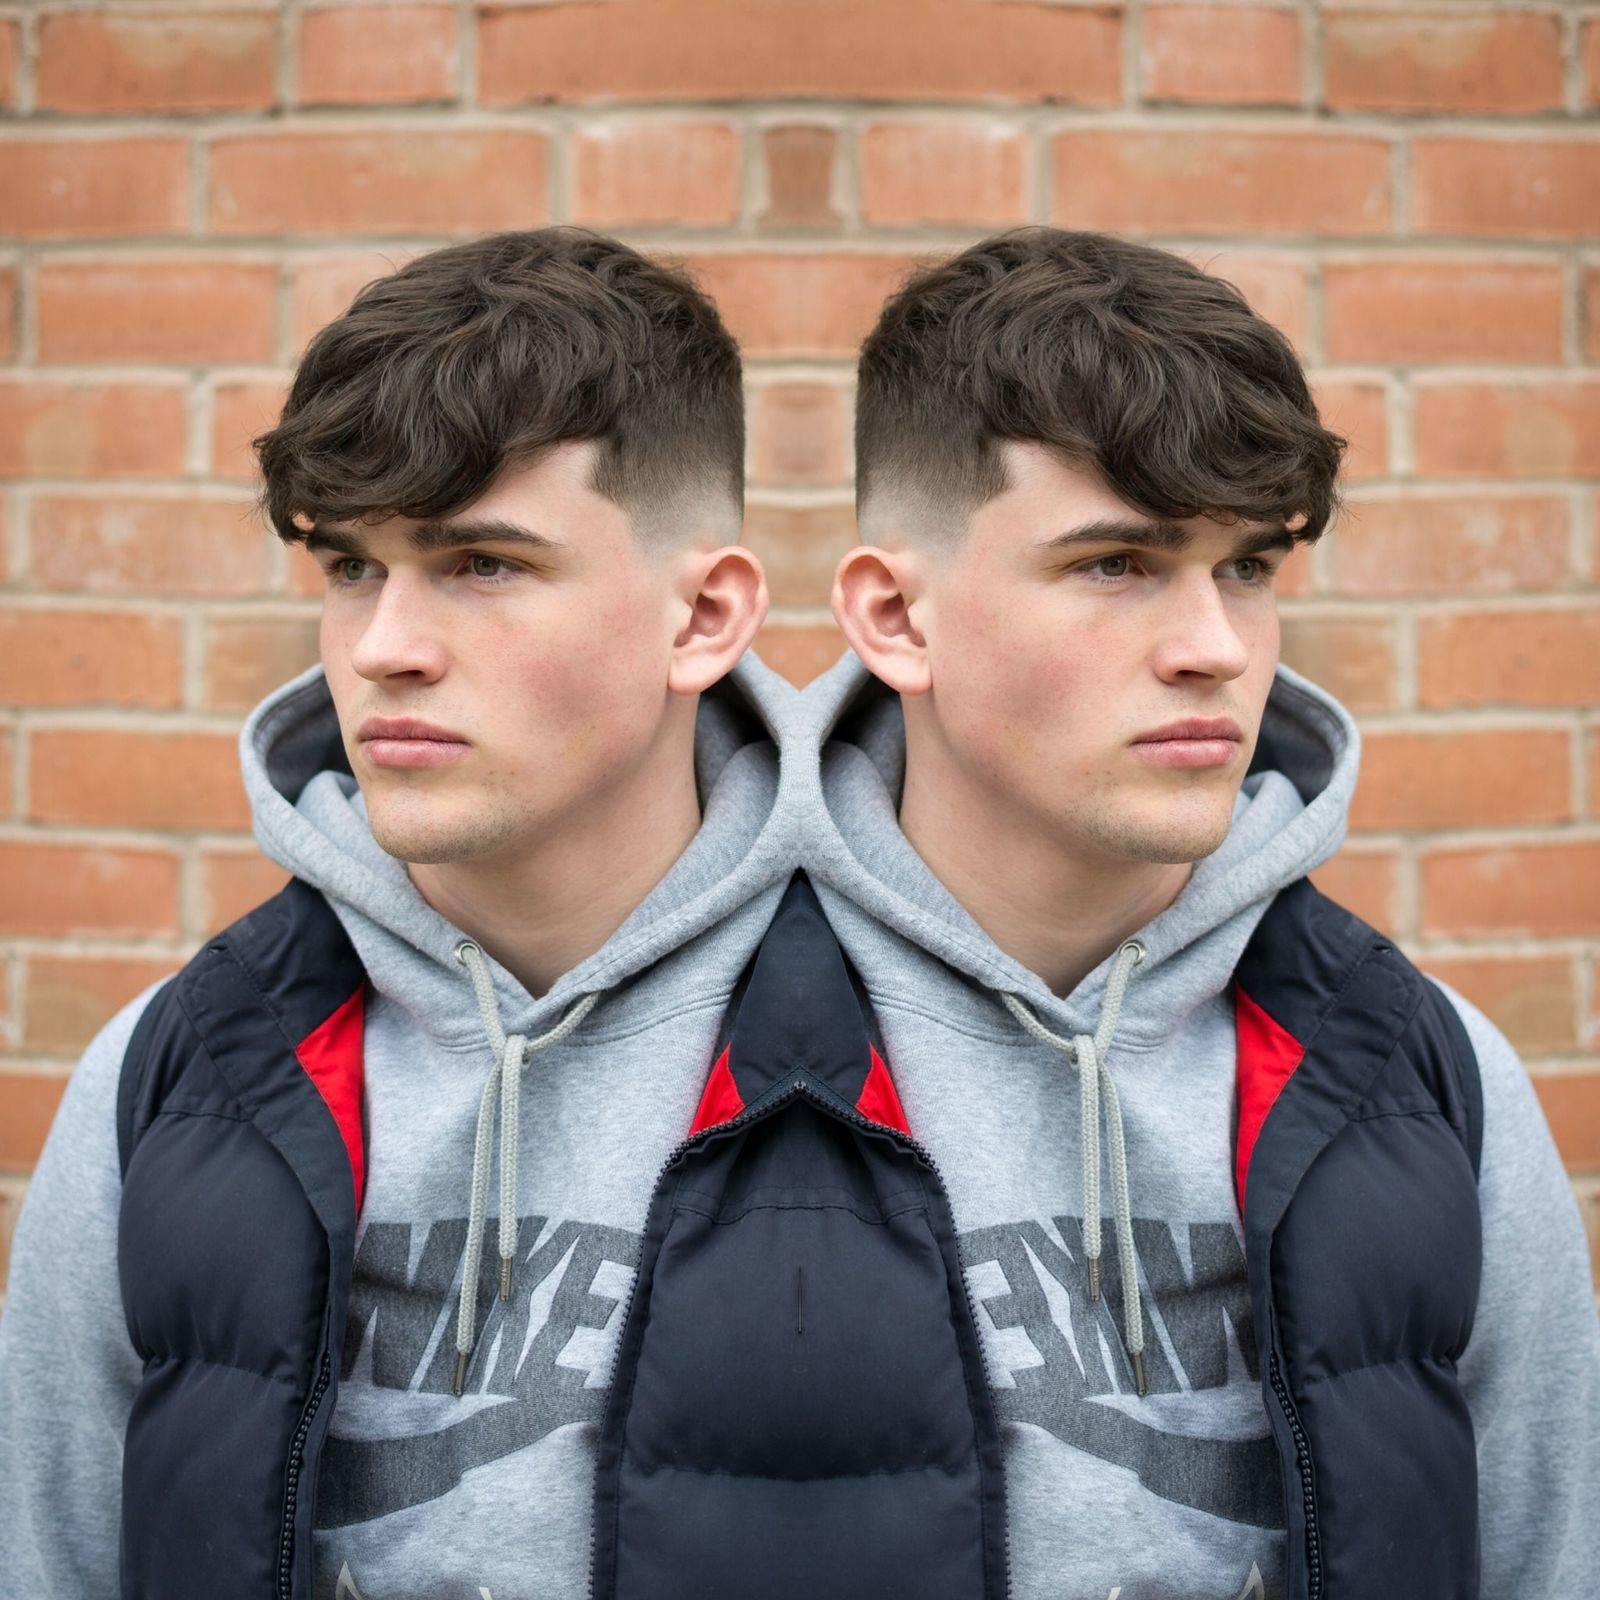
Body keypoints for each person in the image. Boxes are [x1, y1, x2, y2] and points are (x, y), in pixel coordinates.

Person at [795, 226, 1600, 1599]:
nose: (1216, 648)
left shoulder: (1425, 1074)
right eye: (1118, 563)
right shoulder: (701, 1040)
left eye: (1248, 568)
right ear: (898, 617)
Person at [0, 228, 802, 1599]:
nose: (383, 648)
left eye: (481, 563)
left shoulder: (898, 1042)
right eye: (351, 568)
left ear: (701, 617)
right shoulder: (175, 1074)